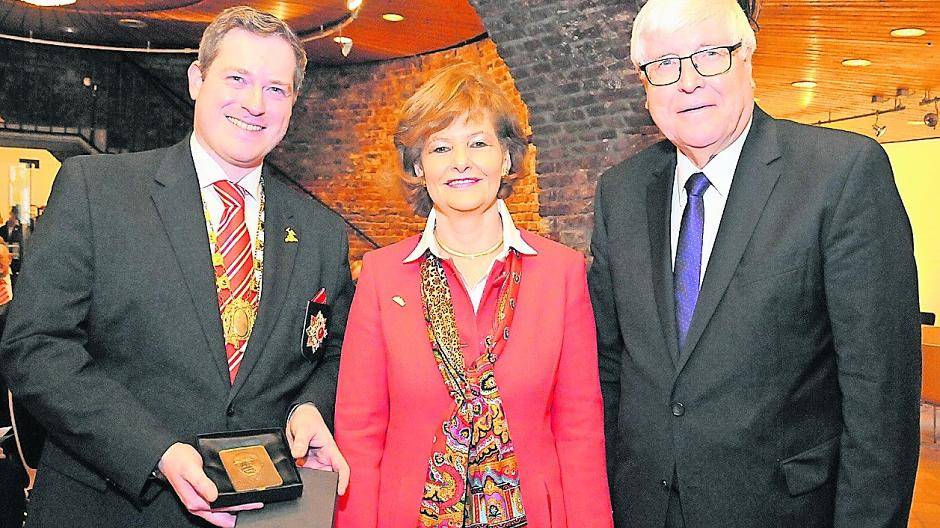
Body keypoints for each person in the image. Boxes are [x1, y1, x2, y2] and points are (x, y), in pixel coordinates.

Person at [0, 7, 353, 528]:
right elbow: (35, 348)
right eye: (237, 78)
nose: (255, 104)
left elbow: (336, 352)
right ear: (196, 79)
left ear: (293, 104)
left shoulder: (322, 231)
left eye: (276, 89)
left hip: (262, 515)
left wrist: (310, 408)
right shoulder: (97, 191)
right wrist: (155, 450)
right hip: (110, 508)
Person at [589, 1, 921, 527]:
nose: (688, 82)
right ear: (645, 85)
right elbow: (609, 366)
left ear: (747, 57)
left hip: (782, 509)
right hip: (644, 506)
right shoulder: (621, 192)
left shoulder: (839, 173)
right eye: (665, 64)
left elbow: (880, 394)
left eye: (708, 56)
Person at [333, 64, 612, 528]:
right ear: (419, 167)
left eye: (478, 143)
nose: (461, 161)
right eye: (441, 147)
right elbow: (359, 435)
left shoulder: (561, 273)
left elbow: (579, 430)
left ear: (507, 158)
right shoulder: (381, 278)